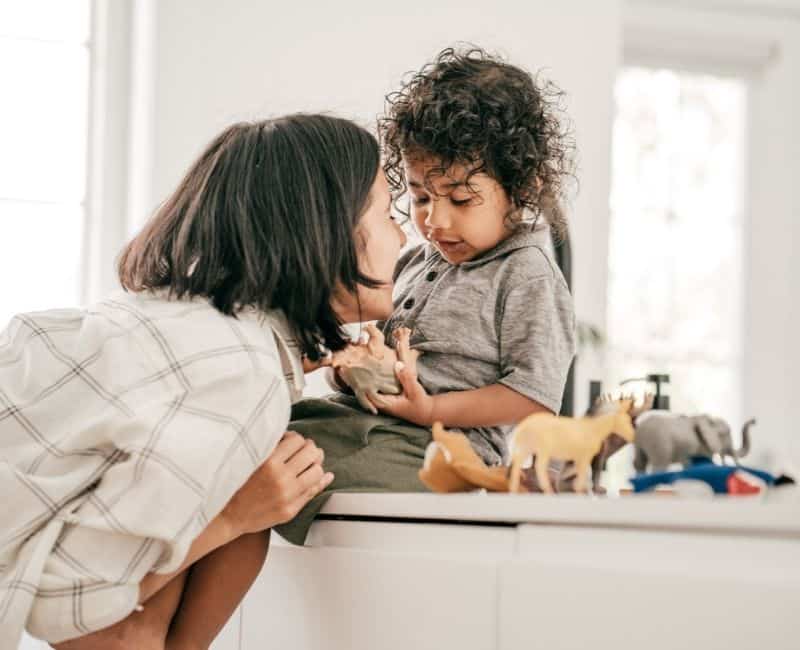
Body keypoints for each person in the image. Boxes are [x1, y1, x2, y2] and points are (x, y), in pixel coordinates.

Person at [0, 114, 406, 650]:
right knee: (258, 488)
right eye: (388, 213)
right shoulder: (242, 377)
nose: (405, 236)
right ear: (329, 233)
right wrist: (235, 516)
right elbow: (69, 606)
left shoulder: (189, 326)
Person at [275, 45, 577, 545]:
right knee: (254, 439)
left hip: (442, 449)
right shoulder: (417, 261)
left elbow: (534, 398)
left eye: (460, 199)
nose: (434, 221)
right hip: (361, 421)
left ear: (522, 187)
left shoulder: (528, 274)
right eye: (419, 197)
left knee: (298, 476)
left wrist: (431, 411)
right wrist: (351, 361)